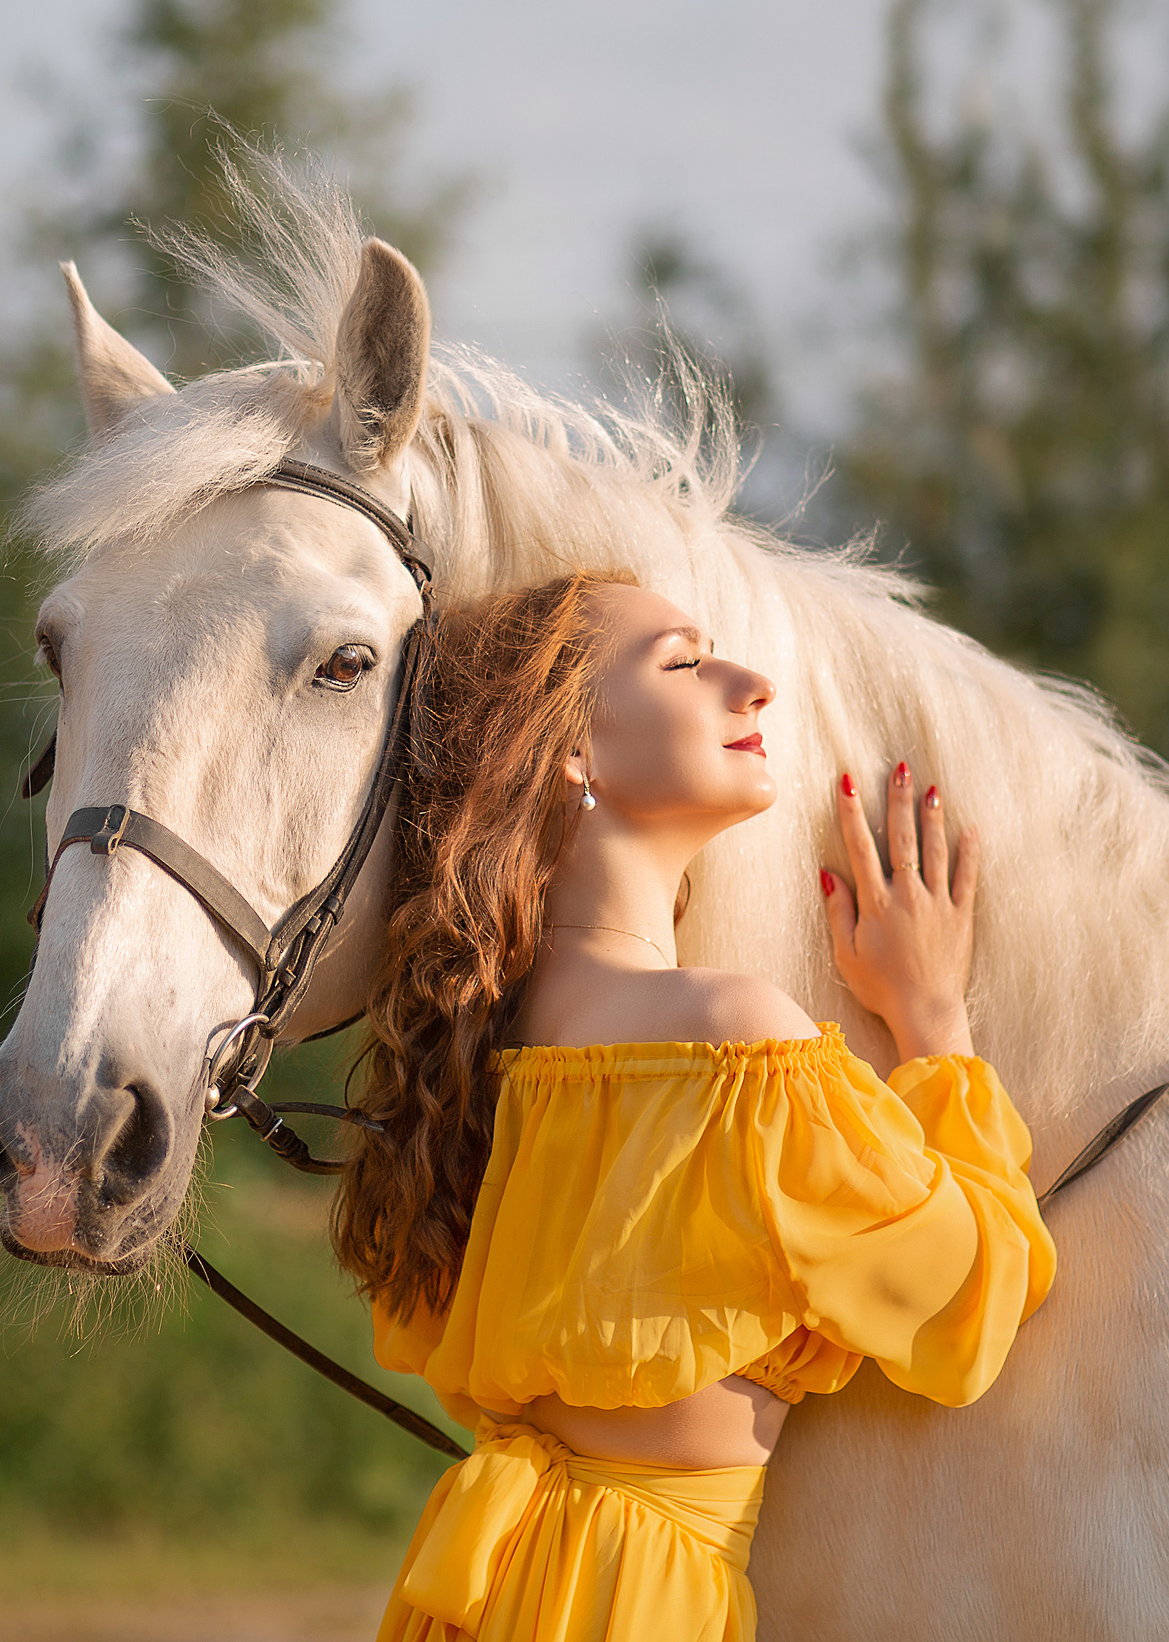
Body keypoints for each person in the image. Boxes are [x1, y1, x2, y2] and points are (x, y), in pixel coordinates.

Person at [331, 572, 1057, 1642]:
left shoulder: (465, 1065)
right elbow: (975, 1300)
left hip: (475, 1599)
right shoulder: (736, 1049)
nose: (752, 683)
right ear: (573, 749)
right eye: (682, 661)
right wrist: (933, 1021)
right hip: (638, 1603)